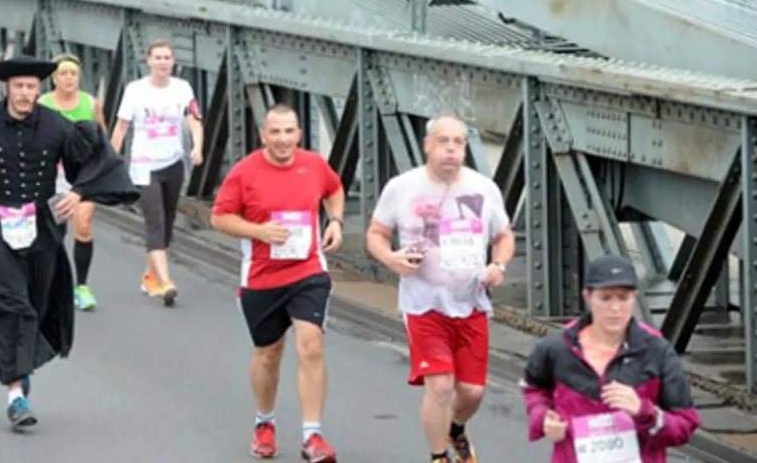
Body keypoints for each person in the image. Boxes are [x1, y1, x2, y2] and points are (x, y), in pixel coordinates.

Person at [0, 54, 139, 429]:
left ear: (38, 90)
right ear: (7, 88)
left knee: (37, 302)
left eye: (31, 87)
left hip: (42, 229)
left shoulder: (57, 126)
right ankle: (15, 393)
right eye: (18, 87)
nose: (25, 93)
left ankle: (20, 363)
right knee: (11, 302)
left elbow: (98, 155)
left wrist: (80, 192)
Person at [365, 113, 516, 463]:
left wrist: (499, 265)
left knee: (472, 392)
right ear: (427, 145)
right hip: (424, 304)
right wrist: (391, 259)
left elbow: (503, 236)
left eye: (458, 142)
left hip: (471, 301)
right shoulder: (402, 187)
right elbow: (376, 234)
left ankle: (456, 429)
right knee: (441, 384)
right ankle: (438, 457)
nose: (451, 149)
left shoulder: (482, 188)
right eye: (444, 141)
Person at [210, 104, 346, 462]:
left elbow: (334, 189)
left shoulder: (314, 164)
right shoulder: (244, 172)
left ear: (299, 133)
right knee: (269, 354)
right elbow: (220, 218)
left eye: (289, 132)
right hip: (261, 277)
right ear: (263, 135)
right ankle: (264, 423)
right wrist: (258, 231)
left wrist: (335, 221)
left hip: (308, 272)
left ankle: (312, 435)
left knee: (311, 345)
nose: (283, 140)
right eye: (275, 132)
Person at [521, 255, 701, 463]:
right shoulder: (555, 348)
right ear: (587, 297)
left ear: (635, 297)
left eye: (623, 297)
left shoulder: (657, 351)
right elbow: (534, 390)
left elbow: (686, 424)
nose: (615, 308)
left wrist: (644, 412)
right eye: (605, 298)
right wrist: (543, 417)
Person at [109, 39, 203, 305]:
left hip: (172, 163)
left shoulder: (182, 88)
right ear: (149, 61)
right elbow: (121, 127)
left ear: (173, 62)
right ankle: (166, 281)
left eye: (167, 58)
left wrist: (197, 147)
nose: (162, 62)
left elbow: (194, 119)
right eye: (157, 58)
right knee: (156, 221)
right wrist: (111, 161)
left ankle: (151, 275)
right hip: (144, 165)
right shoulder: (135, 91)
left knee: (168, 223)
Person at [38, 52, 106, 311]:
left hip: (83, 175)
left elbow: (102, 140)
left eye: (73, 74)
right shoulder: (43, 104)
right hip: (52, 175)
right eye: (63, 74)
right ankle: (56, 282)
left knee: (83, 224)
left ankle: (82, 286)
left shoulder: (90, 103)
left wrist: (105, 169)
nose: (69, 78)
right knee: (55, 230)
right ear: (54, 78)